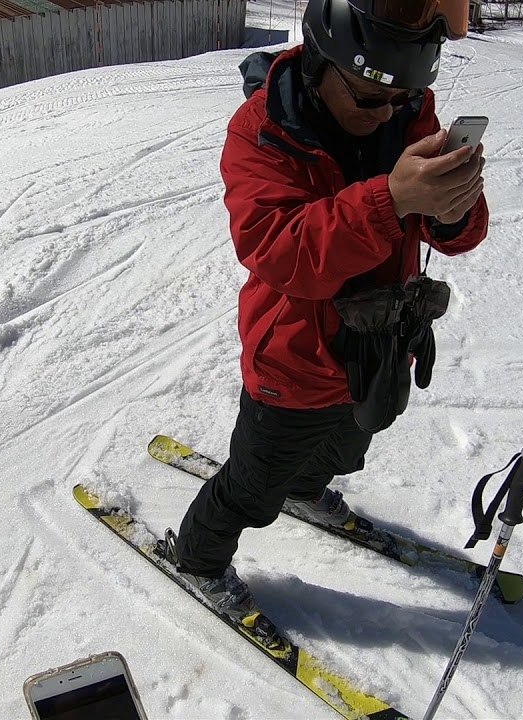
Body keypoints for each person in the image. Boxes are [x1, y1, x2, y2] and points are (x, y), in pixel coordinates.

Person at [164, 0, 490, 622]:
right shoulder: (261, 131)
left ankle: (310, 492)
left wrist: (453, 208)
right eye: (371, 100)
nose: (391, 112)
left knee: (350, 444)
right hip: (296, 359)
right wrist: (391, 199)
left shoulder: (404, 107)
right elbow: (279, 250)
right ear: (322, 62)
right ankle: (200, 559)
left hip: (378, 342)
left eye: (405, 98)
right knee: (253, 487)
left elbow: (452, 232)